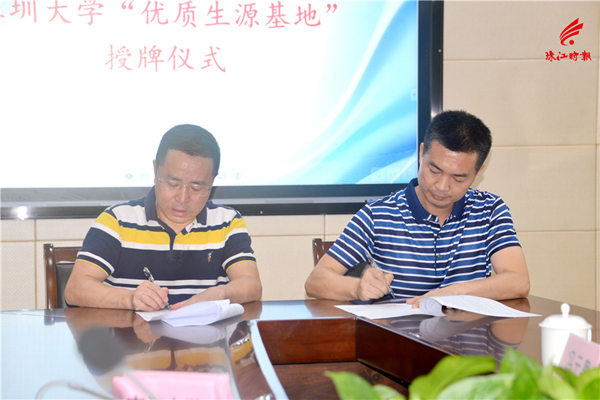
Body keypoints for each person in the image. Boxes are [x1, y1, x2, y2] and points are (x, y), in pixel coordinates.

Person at [305, 110, 530, 306]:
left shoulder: (490, 210)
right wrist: (357, 288)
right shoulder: (378, 215)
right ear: (422, 153)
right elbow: (315, 281)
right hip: (399, 337)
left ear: (478, 173)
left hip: (471, 339)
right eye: (434, 170)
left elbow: (518, 281)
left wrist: (454, 293)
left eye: (458, 178)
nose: (442, 187)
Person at [65, 124, 262, 311]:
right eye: (172, 183)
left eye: (196, 188)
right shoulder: (117, 220)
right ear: (155, 170)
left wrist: (221, 294)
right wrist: (131, 299)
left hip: (203, 336)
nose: (182, 198)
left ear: (212, 181)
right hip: (130, 336)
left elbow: (251, 284)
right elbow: (75, 289)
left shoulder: (227, 222)